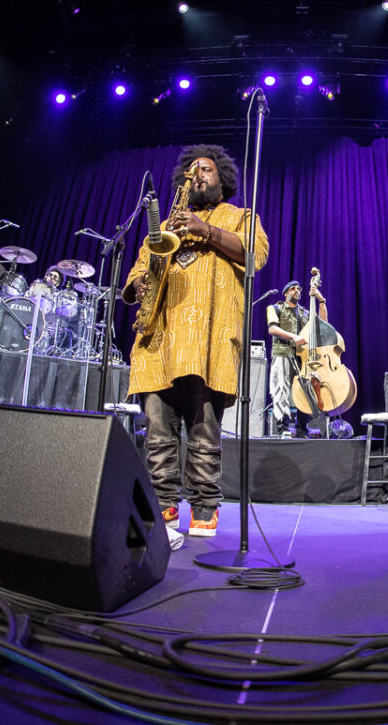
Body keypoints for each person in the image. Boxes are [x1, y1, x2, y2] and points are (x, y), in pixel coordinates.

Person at [122, 145, 269, 539]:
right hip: (159, 338)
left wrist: (205, 231)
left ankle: (204, 504)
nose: (196, 174)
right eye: (190, 170)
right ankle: (162, 504)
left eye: (205, 169)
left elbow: (255, 255)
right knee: (157, 428)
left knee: (204, 428)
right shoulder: (166, 224)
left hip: (210, 339)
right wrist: (139, 283)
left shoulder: (239, 216)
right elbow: (140, 267)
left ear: (221, 178)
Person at [266, 279, 328, 437]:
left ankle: (302, 427)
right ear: (286, 292)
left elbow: (322, 324)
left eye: (298, 288)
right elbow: (272, 328)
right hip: (283, 353)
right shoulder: (275, 308)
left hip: (303, 357)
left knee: (306, 390)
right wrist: (293, 337)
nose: (296, 291)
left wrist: (321, 301)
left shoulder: (305, 313)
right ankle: (282, 428)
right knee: (282, 389)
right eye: (292, 289)